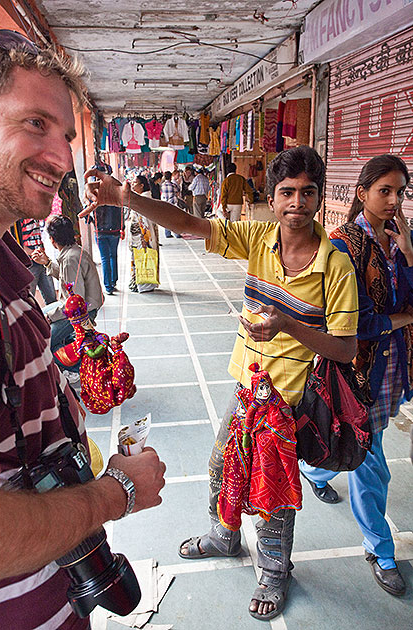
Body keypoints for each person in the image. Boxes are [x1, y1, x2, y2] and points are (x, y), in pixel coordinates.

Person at [82, 145, 359, 621]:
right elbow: (188, 224)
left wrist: (288, 326)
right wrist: (126, 199)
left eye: (307, 193)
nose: (297, 203)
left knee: (271, 490)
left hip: (289, 403)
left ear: (319, 199)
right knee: (219, 466)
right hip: (245, 392)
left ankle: (274, 572)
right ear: (271, 199)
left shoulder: (335, 267)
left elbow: (345, 348)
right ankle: (224, 536)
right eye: (287, 193)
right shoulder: (257, 239)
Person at [0, 29, 165, 630]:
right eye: (34, 123)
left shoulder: (8, 270)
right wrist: (117, 490)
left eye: (66, 135)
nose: (63, 157)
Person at [299, 154, 413, 597]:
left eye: (400, 192)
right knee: (371, 460)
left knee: (356, 443)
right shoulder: (343, 245)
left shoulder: (399, 239)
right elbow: (352, 321)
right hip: (358, 369)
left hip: (394, 367)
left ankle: (319, 471)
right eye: (384, 190)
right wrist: (403, 320)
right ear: (361, 192)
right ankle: (380, 549)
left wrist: (408, 254)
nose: (393, 201)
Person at [32, 215, 104, 362]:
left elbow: (76, 302)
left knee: (44, 341)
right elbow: (69, 279)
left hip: (83, 312)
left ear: (52, 240)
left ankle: (73, 368)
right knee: (40, 314)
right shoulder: (72, 252)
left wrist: (51, 317)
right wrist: (47, 262)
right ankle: (69, 349)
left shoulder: (70, 258)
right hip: (78, 306)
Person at [89, 162, 124, 295]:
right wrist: (122, 227)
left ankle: (108, 286)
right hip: (114, 230)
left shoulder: (93, 193)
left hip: (100, 230)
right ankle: (113, 281)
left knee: (105, 258)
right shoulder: (114, 189)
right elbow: (120, 210)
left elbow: (87, 216)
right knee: (113, 256)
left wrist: (91, 220)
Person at [129, 174, 159, 293]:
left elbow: (145, 221)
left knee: (144, 258)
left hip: (143, 237)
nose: (132, 185)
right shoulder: (140, 197)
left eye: (135, 183)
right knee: (139, 259)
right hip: (139, 236)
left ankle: (145, 284)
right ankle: (139, 283)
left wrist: (144, 238)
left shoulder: (144, 199)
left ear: (142, 186)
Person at [19, 217, 56, 304]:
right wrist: (31, 253)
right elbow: (17, 241)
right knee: (29, 298)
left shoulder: (35, 218)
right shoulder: (20, 219)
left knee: (51, 297)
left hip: (41, 260)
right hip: (30, 263)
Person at [160, 171, 182, 238]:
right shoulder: (173, 185)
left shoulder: (162, 185)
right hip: (172, 203)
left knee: (167, 219)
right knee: (174, 219)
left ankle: (167, 234)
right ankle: (177, 234)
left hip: (164, 203)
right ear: (171, 177)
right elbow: (178, 191)